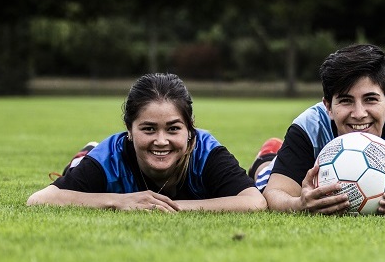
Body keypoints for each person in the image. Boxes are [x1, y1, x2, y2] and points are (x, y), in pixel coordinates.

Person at [258, 44, 385, 217]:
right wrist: (299, 204)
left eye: (370, 99)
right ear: (328, 106)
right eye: (346, 100)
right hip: (291, 161)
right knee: (264, 175)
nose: (359, 113)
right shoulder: (309, 126)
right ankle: (266, 158)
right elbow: (274, 193)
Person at [27, 73, 266, 212]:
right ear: (129, 130)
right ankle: (83, 155)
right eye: (148, 129)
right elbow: (39, 200)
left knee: (265, 175)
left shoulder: (207, 153)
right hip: (97, 159)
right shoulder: (110, 157)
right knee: (78, 170)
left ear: (190, 128)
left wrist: (173, 207)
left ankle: (264, 160)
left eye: (173, 129)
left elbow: (254, 201)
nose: (161, 141)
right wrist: (120, 201)